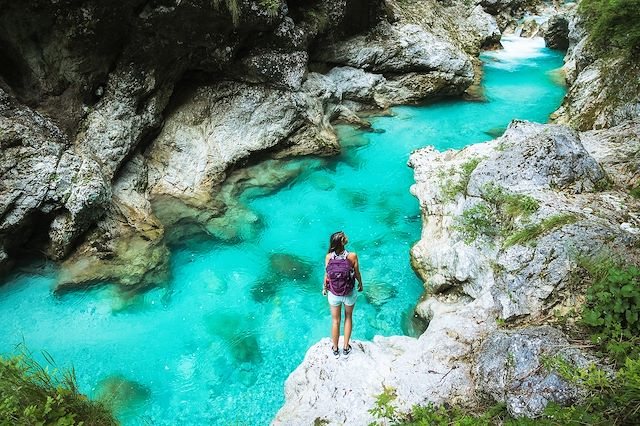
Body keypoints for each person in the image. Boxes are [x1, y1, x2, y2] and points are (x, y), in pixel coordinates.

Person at [322, 231, 363, 359]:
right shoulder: (352, 256)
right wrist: (360, 284)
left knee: (335, 321)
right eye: (344, 236)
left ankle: (335, 349)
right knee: (348, 317)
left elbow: (327, 275)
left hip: (334, 293)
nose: (347, 237)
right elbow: (357, 273)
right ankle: (345, 348)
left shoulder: (329, 257)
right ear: (342, 242)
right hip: (349, 293)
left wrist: (324, 288)